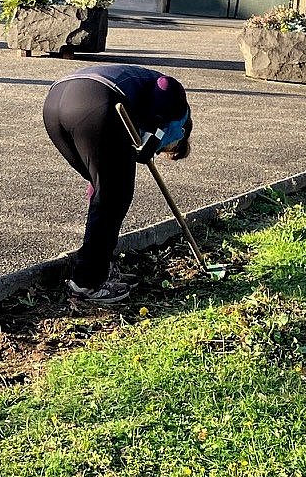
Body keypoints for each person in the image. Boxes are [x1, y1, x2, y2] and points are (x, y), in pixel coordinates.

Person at [42, 64, 193, 306]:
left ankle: (100, 266)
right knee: (115, 196)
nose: (164, 153)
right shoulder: (180, 115)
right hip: (96, 99)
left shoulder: (138, 105)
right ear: (181, 136)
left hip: (56, 102)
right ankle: (87, 282)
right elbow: (167, 86)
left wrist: (146, 143)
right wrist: (154, 139)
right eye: (170, 151)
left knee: (104, 190)